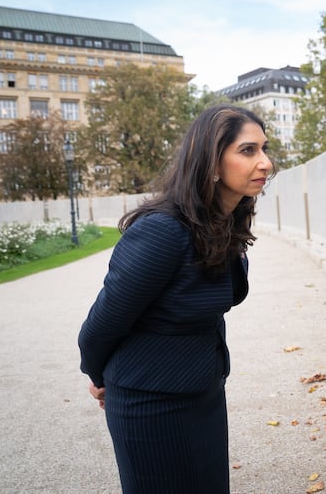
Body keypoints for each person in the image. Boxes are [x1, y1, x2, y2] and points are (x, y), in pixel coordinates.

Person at [78, 104, 275, 493]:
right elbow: (101, 324)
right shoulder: (163, 232)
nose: (266, 163)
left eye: (265, 149)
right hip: (150, 405)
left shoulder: (224, 225)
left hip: (202, 392)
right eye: (248, 151)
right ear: (212, 162)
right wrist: (99, 378)